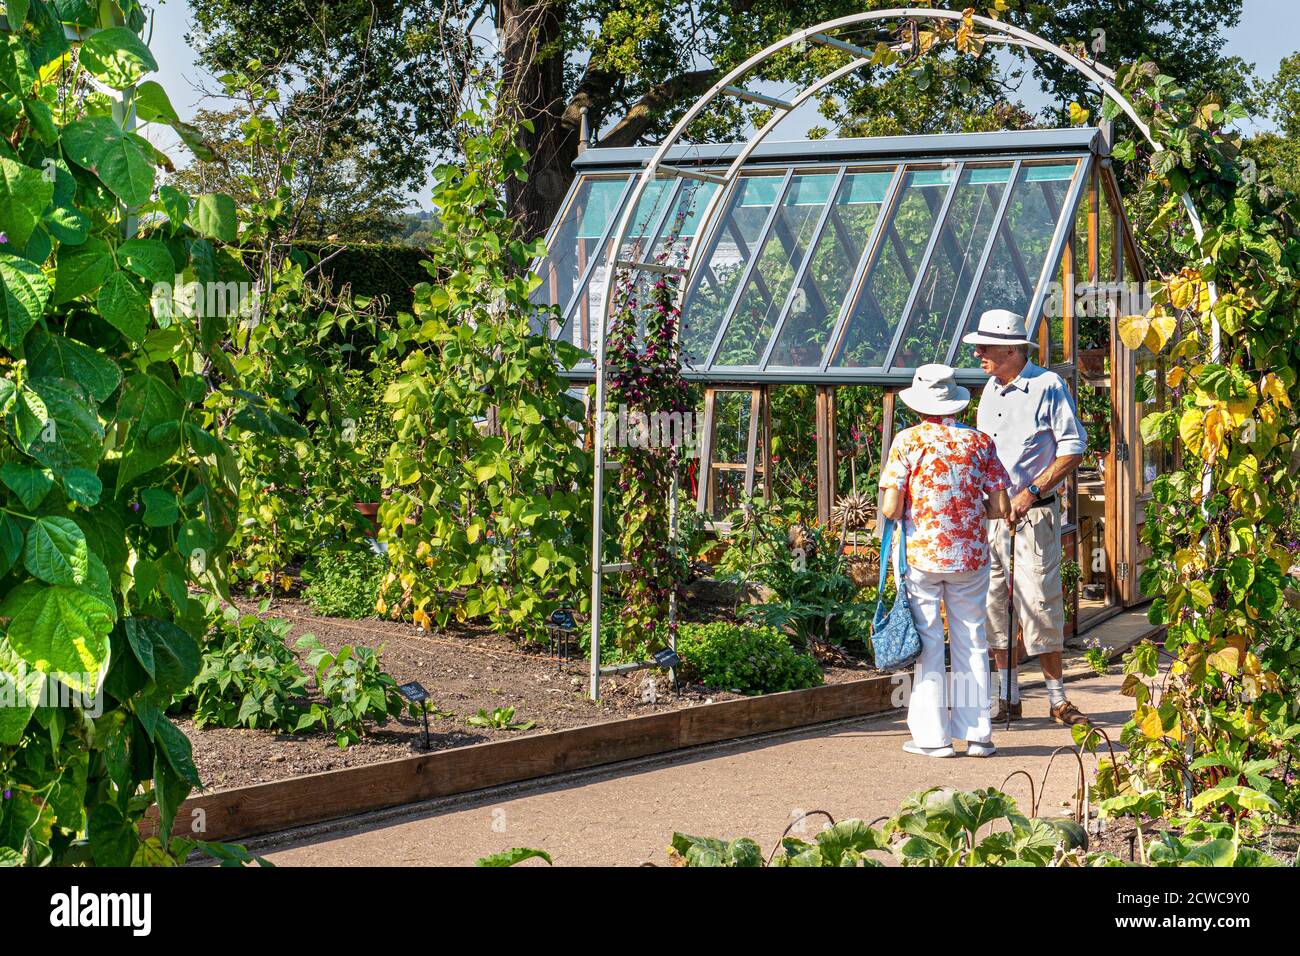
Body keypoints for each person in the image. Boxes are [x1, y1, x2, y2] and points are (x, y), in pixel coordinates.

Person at [963, 308, 1090, 727]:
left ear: (1013, 349)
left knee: (1039, 603)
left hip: (1033, 517)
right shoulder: (990, 391)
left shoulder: (1047, 386)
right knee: (994, 606)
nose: (979, 352)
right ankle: (1008, 696)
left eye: (986, 346)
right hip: (993, 519)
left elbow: (1073, 447)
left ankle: (1057, 699)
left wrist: (1031, 491)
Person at [879, 364, 1010, 758]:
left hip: (922, 557)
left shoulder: (907, 441)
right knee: (971, 639)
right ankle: (977, 736)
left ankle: (933, 739)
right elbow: (1000, 505)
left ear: (918, 405)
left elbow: (890, 507)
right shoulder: (979, 442)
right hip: (971, 557)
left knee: (930, 643)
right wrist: (965, 511)